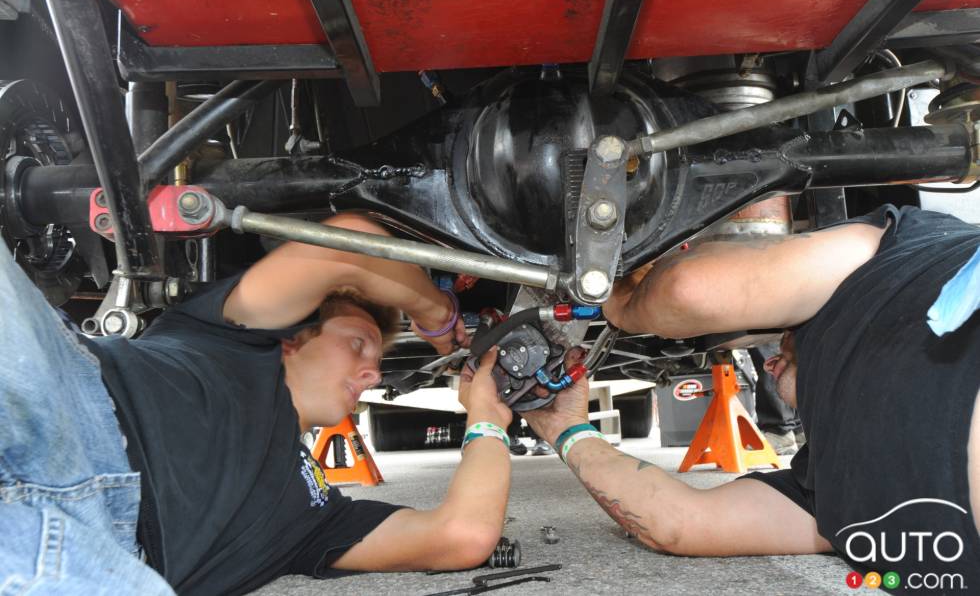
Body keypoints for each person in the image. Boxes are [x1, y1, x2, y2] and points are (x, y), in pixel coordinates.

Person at [0, 213, 515, 595]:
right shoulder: (222, 336)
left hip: (101, 558)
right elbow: (351, 247)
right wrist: (436, 314)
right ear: (292, 336)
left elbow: (462, 536)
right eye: (358, 343)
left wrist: (487, 416)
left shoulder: (314, 519)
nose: (373, 373)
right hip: (59, 395)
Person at [524, 205, 980, 586]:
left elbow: (679, 524)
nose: (766, 360)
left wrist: (568, 428)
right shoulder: (908, 254)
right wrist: (618, 315)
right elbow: (691, 290)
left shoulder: (821, 494)